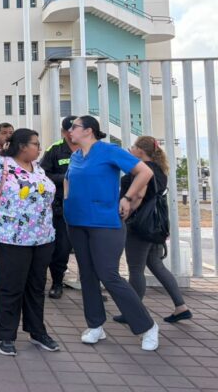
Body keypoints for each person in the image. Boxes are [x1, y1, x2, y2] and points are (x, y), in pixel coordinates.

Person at [64, 115, 159, 351]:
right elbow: (68, 182)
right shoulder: (75, 156)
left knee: (109, 275)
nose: (69, 130)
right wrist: (67, 201)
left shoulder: (109, 151)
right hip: (76, 221)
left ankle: (147, 327)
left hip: (105, 222)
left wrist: (127, 198)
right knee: (87, 274)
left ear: (88, 131)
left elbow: (145, 173)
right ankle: (95, 325)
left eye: (73, 127)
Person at [0, 129, 59, 356]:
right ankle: (6, 336)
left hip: (42, 238)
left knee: (36, 287)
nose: (39, 148)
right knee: (11, 287)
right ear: (22, 146)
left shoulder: (39, 168)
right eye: (35, 143)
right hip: (11, 238)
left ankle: (37, 332)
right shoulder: (0, 165)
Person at [118, 136, 191, 324]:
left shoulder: (142, 171)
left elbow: (139, 196)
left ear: (141, 151)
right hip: (156, 225)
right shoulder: (159, 171)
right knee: (156, 265)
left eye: (133, 146)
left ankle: (133, 313)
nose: (131, 149)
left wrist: (126, 213)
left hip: (140, 225)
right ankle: (181, 306)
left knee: (135, 269)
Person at [39, 116, 78, 299]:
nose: (73, 133)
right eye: (70, 130)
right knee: (61, 248)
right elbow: (43, 174)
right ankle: (56, 282)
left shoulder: (92, 149)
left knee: (89, 250)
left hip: (87, 207)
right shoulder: (54, 150)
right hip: (61, 207)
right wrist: (65, 179)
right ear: (64, 132)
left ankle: (91, 285)